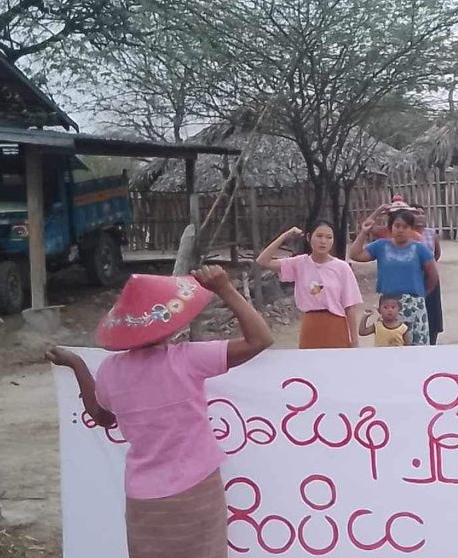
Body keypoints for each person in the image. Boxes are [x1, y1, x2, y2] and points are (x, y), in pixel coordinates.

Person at [46, 266, 273, 558]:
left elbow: (102, 416)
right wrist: (225, 288)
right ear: (171, 322)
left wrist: (77, 364)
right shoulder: (189, 359)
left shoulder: (111, 372)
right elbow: (260, 339)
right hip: (197, 491)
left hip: (144, 501)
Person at [256, 222, 363, 349]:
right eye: (319, 236)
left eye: (329, 237)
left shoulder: (342, 268)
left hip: (336, 324)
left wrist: (354, 340)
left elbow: (349, 306)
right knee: (309, 366)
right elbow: (263, 261)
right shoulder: (299, 263)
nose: (323, 241)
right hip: (310, 324)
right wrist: (285, 236)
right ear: (308, 237)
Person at [349, 209, 439, 346]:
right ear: (391, 227)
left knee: (416, 347)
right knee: (389, 344)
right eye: (397, 226)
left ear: (411, 229)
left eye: (405, 227)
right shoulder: (381, 246)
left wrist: (421, 296)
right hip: (389, 304)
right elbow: (355, 255)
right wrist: (363, 233)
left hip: (414, 305)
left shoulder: (420, 249)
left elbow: (433, 277)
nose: (401, 230)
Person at [410, 203, 444, 345]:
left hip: (430, 276)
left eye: (422, 213)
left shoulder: (431, 233)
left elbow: (436, 255)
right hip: (412, 277)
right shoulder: (405, 233)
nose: (419, 216)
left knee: (432, 313)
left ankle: (432, 343)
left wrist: (428, 268)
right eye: (415, 213)